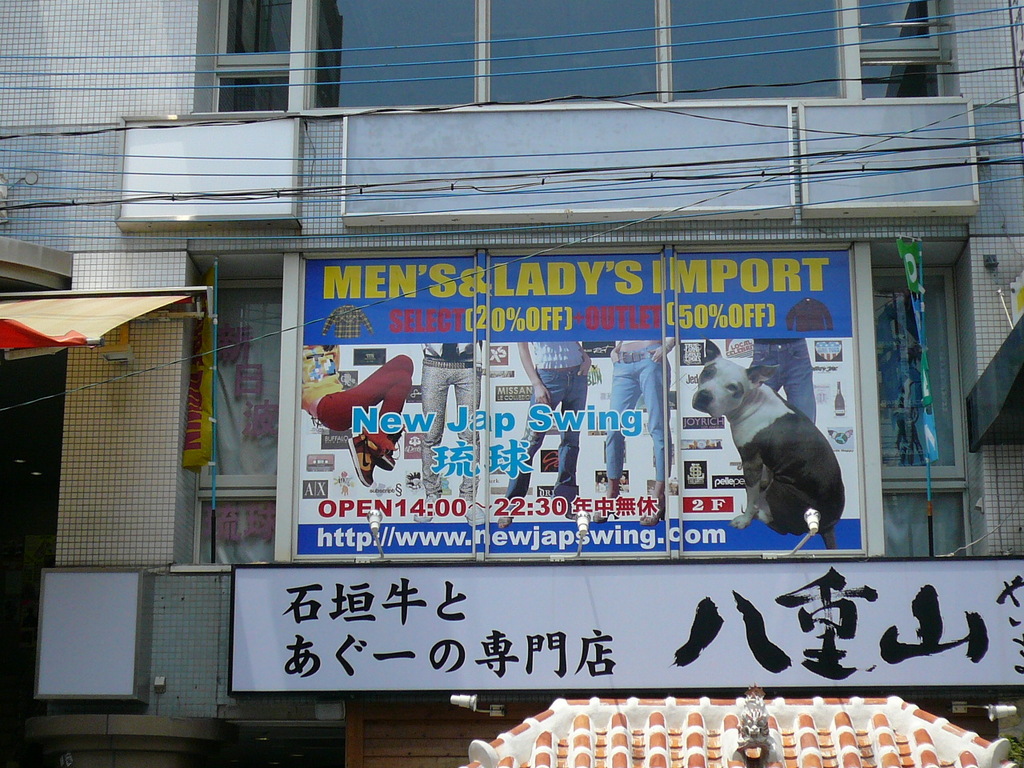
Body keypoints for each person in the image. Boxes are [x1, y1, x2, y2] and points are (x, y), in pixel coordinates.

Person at [501, 341, 590, 527]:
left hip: (577, 375)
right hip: (548, 378)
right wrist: (536, 384)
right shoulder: (528, 319)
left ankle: (566, 500)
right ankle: (511, 504)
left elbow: (572, 336)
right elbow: (522, 347)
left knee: (571, 441)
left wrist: (585, 356)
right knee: (530, 441)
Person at [301, 353, 414, 486]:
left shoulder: (331, 348)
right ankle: (378, 439)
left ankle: (371, 444)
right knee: (402, 378)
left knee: (404, 362)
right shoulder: (299, 351)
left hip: (337, 401)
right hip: (327, 407)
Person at [605, 338, 675, 525]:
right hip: (622, 363)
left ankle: (659, 497)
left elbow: (682, 322)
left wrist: (668, 345)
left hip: (651, 358)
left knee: (658, 428)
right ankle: (612, 493)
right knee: (613, 427)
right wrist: (615, 350)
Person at [420, 342, 481, 516]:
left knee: (470, 435)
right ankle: (431, 496)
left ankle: (468, 498)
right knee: (431, 434)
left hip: (468, 363)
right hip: (434, 363)